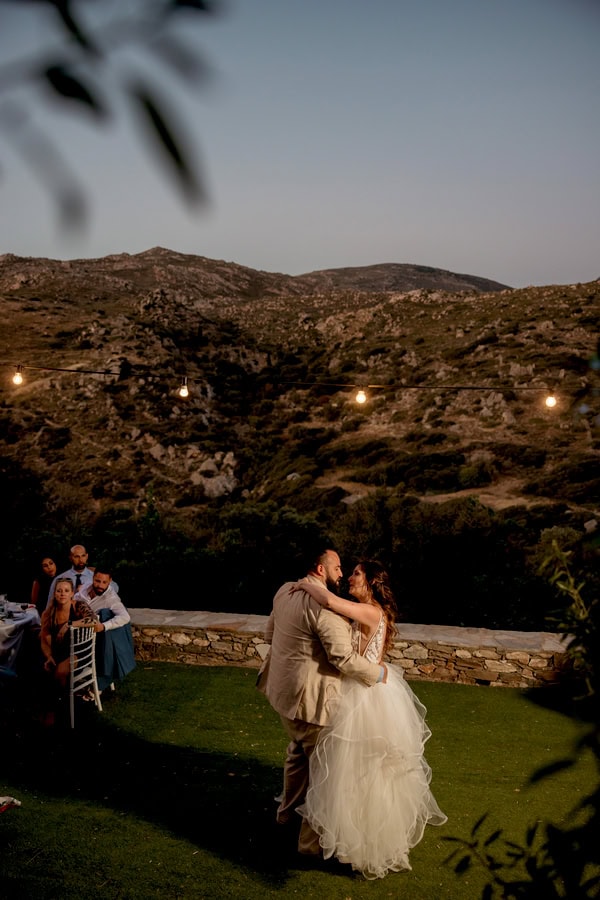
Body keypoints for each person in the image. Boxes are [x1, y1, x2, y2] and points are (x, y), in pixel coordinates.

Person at [290, 560, 447, 879]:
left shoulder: (372, 611)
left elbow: (331, 602)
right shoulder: (368, 611)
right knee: (347, 772)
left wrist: (306, 584)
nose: (350, 576)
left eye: (357, 573)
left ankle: (362, 846)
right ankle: (339, 841)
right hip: (364, 688)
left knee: (361, 773)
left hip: (363, 696)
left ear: (373, 582)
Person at [256, 548, 386, 858]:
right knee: (325, 776)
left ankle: (285, 815)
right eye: (338, 568)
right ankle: (308, 846)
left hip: (282, 696)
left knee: (297, 756)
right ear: (320, 569)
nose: (342, 574)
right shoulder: (325, 609)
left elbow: (270, 633)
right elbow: (342, 658)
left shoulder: (283, 590)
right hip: (313, 705)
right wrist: (378, 673)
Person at [75, 566, 135, 691]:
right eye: (97, 581)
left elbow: (125, 617)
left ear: (110, 581)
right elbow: (76, 598)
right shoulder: (86, 587)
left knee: (106, 614)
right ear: (93, 578)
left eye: (104, 582)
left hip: (96, 636)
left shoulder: (111, 599)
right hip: (79, 625)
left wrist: (104, 626)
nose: (100, 585)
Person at [40, 577, 95, 690]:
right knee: (40, 669)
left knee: (60, 672)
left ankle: (62, 703)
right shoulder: (48, 613)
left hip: (78, 652)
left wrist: (69, 624)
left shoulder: (78, 606)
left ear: (72, 593)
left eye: (66, 590)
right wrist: (49, 656)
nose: (62, 594)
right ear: (54, 593)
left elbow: (94, 620)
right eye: (59, 590)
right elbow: (44, 638)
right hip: (58, 651)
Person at [47, 544, 118, 605]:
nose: (81, 560)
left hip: (92, 612)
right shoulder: (60, 578)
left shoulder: (95, 576)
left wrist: (92, 588)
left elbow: (115, 588)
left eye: (83, 556)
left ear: (87, 556)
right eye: (76, 557)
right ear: (70, 558)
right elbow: (50, 602)